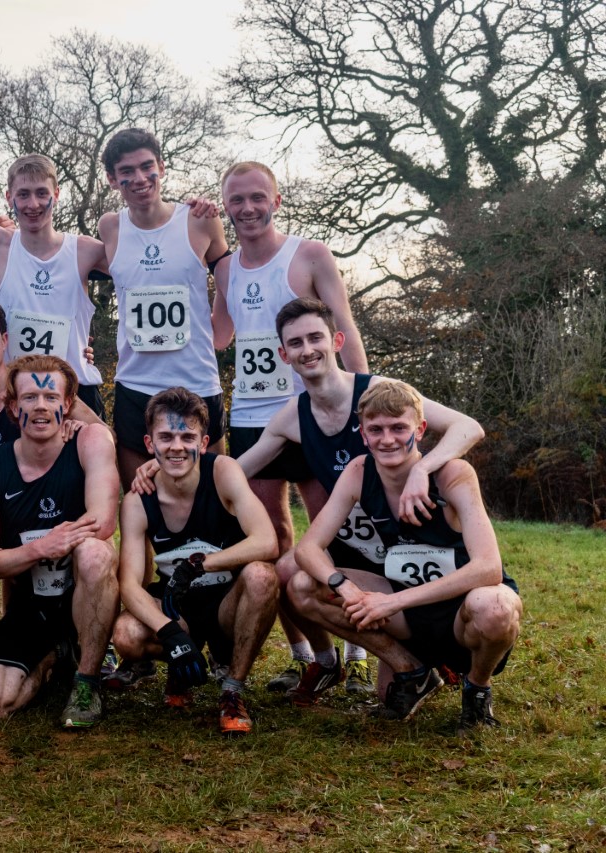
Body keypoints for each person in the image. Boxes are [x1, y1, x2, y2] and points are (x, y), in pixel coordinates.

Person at [234, 297, 485, 702]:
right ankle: (329, 661)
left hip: (413, 549)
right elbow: (232, 473)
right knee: (288, 572)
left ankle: (433, 659)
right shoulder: (291, 417)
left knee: (391, 695)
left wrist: (423, 468)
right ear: (284, 354)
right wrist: (166, 466)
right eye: (295, 343)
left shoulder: (378, 393)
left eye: (315, 337)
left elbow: (467, 427)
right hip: (358, 553)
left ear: (336, 340)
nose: (307, 349)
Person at [210, 161, 369, 691]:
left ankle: (359, 650)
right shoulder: (227, 269)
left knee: (336, 529)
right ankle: (311, 657)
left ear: (276, 200)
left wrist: (363, 403)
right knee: (271, 536)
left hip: (318, 413)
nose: (248, 208)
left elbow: (343, 324)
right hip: (255, 416)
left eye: (258, 197)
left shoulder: (309, 254)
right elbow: (218, 335)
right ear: (226, 207)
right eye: (237, 200)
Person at [291, 381, 522, 730]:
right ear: (363, 434)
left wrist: (392, 603)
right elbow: (308, 547)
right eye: (376, 430)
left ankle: (477, 686)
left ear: (420, 429)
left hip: (464, 611)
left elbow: (489, 568)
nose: (387, 439)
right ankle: (410, 671)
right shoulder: (358, 472)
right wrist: (346, 587)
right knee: (304, 585)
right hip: (406, 613)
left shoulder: (454, 475)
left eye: (399, 428)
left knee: (496, 608)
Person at [0, 355, 120, 728]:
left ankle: (86, 680)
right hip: (29, 608)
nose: (41, 407)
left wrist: (24, 552)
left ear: (67, 405)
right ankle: (54, 657)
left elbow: (100, 524)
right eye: (30, 398)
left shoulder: (91, 441)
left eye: (51, 398)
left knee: (95, 552)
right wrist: (39, 548)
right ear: (13, 406)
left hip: (84, 598)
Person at [113, 388, 279, 733]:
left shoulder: (223, 472)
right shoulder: (137, 500)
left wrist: (203, 564)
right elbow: (129, 584)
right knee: (127, 634)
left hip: (226, 605)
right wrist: (170, 633)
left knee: (262, 577)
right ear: (149, 443)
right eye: (166, 436)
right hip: (178, 607)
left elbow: (267, 541)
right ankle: (179, 666)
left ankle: (232, 690)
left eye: (187, 436)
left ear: (203, 443)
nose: (176, 446)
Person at [98, 128, 230, 479]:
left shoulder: (200, 219)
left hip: (197, 381)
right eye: (127, 172)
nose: (139, 178)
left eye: (147, 167)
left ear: (162, 166)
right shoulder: (110, 227)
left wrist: (221, 332)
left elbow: (232, 276)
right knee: (140, 500)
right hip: (135, 385)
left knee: (213, 501)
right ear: (113, 180)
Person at [0, 154, 108, 415]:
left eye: (42, 193)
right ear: (9, 197)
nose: (33, 204)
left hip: (76, 390)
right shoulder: (1, 243)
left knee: (102, 448)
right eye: (23, 194)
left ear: (56, 193)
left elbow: (139, 266)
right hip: (18, 392)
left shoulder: (84, 250)